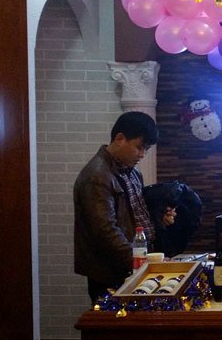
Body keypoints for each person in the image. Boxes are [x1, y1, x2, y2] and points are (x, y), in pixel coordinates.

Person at [73, 111, 177, 302]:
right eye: (139, 147)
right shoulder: (97, 176)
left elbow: (136, 214)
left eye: (146, 149)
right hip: (112, 273)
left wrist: (159, 218)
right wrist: (140, 261)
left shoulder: (132, 172)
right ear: (120, 138)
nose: (142, 155)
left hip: (136, 265)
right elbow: (105, 231)